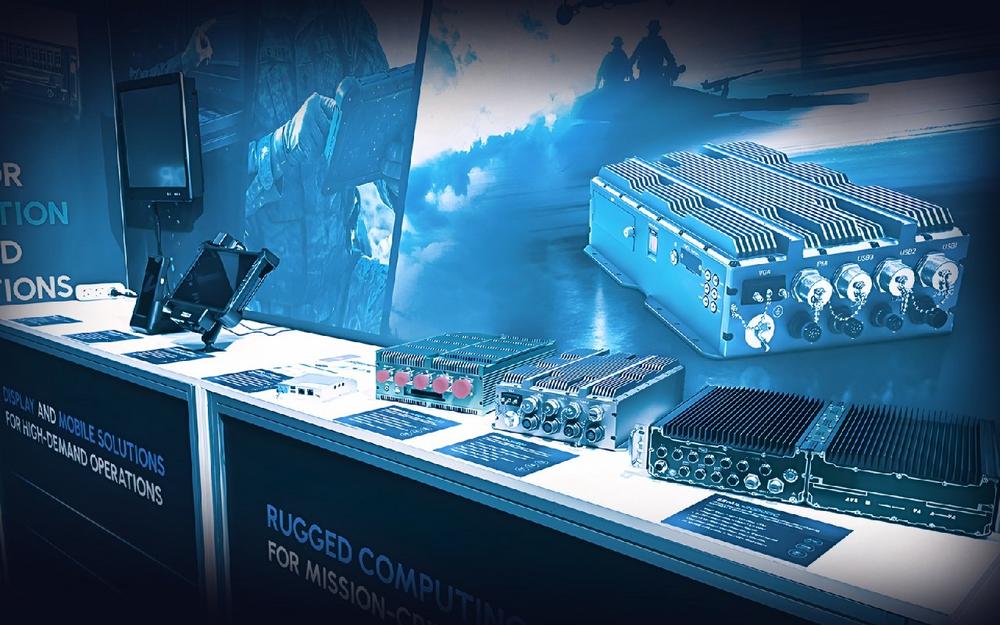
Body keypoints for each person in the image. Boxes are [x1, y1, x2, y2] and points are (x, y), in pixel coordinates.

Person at [130, 1, 407, 334]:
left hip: (339, 295)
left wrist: (397, 174)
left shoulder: (348, 19)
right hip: (250, 309)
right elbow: (203, 187)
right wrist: (281, 146)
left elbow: (383, 140)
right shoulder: (216, 25)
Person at [630, 19, 678, 84]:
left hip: (648, 75)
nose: (654, 31)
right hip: (651, 74)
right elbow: (670, 58)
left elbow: (633, 58)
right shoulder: (660, 43)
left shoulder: (645, 43)